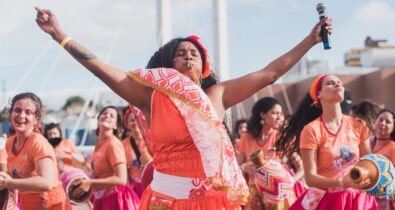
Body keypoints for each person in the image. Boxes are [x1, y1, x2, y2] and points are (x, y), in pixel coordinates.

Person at [35, 6, 332, 209]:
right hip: (166, 200)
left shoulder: (218, 94)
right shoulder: (149, 96)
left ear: (204, 67)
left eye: (195, 54)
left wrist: (310, 40)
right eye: (180, 53)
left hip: (213, 201)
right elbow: (100, 68)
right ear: (168, 63)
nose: (189, 57)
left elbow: (269, 74)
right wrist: (60, 35)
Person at [276, 75, 377, 210]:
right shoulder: (311, 130)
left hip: (359, 199)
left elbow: (368, 163)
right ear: (319, 94)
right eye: (330, 83)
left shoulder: (359, 125)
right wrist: (342, 182)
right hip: (329, 200)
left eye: (339, 82)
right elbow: (310, 178)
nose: (337, 85)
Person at [0, 92, 72, 210]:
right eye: (17, 110)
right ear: (10, 114)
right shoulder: (9, 142)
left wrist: (7, 182)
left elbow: (47, 182)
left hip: (51, 205)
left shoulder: (38, 142)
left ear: (36, 119)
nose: (21, 115)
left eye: (28, 112)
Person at [71, 106, 139, 210]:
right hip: (102, 199)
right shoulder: (99, 145)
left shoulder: (113, 144)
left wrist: (90, 183)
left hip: (115, 200)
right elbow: (99, 173)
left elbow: (121, 179)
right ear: (98, 119)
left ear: (116, 125)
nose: (107, 116)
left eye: (112, 116)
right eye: (104, 113)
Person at [236, 97, 292, 209]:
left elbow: (301, 164)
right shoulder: (246, 137)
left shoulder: (280, 137)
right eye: (275, 113)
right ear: (262, 115)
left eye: (280, 114)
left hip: (276, 192)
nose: (279, 117)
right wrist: (244, 167)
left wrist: (292, 180)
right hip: (254, 192)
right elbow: (236, 165)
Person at [121, 105, 151, 198]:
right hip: (135, 187)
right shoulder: (123, 145)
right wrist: (129, 191)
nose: (135, 122)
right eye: (132, 120)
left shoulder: (152, 140)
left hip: (153, 183)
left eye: (137, 118)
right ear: (127, 124)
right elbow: (124, 172)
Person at [370, 109, 395, 210]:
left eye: (388, 122)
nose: (383, 123)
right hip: (363, 196)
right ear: (375, 122)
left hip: (382, 200)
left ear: (393, 127)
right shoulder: (367, 143)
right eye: (380, 119)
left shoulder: (393, 148)